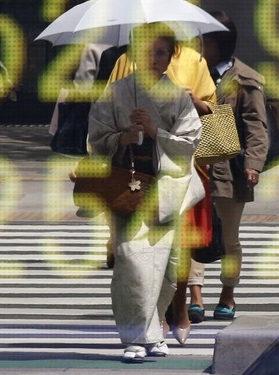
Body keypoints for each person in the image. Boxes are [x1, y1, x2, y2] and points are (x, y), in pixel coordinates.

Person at [88, 23, 205, 363]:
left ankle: (153, 332)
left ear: (171, 56)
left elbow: (190, 142)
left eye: (161, 52)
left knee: (166, 267)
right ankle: (134, 336)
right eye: (147, 51)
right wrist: (122, 137)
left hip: (166, 188)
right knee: (131, 260)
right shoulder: (115, 92)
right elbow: (98, 135)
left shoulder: (179, 97)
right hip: (128, 185)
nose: (154, 58)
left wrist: (156, 131)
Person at [186, 11, 269, 322]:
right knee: (194, 233)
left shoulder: (245, 78)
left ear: (219, 41)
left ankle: (228, 294)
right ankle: (195, 295)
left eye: (203, 38)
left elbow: (256, 126)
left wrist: (254, 166)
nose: (197, 44)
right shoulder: (188, 72)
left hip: (227, 169)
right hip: (191, 164)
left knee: (229, 237)